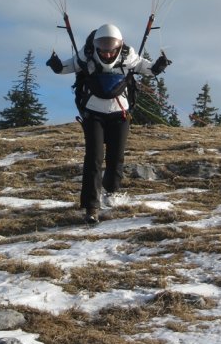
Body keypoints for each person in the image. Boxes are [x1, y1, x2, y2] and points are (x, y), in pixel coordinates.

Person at [46, 23, 171, 224]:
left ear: (119, 46)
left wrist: (158, 66)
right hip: (93, 115)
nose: (106, 53)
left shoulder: (128, 56)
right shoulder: (87, 55)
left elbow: (147, 69)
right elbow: (66, 67)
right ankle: (91, 207)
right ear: (96, 45)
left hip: (120, 115)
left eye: (111, 47)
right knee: (94, 159)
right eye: (102, 47)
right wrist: (56, 65)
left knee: (116, 157)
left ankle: (111, 191)